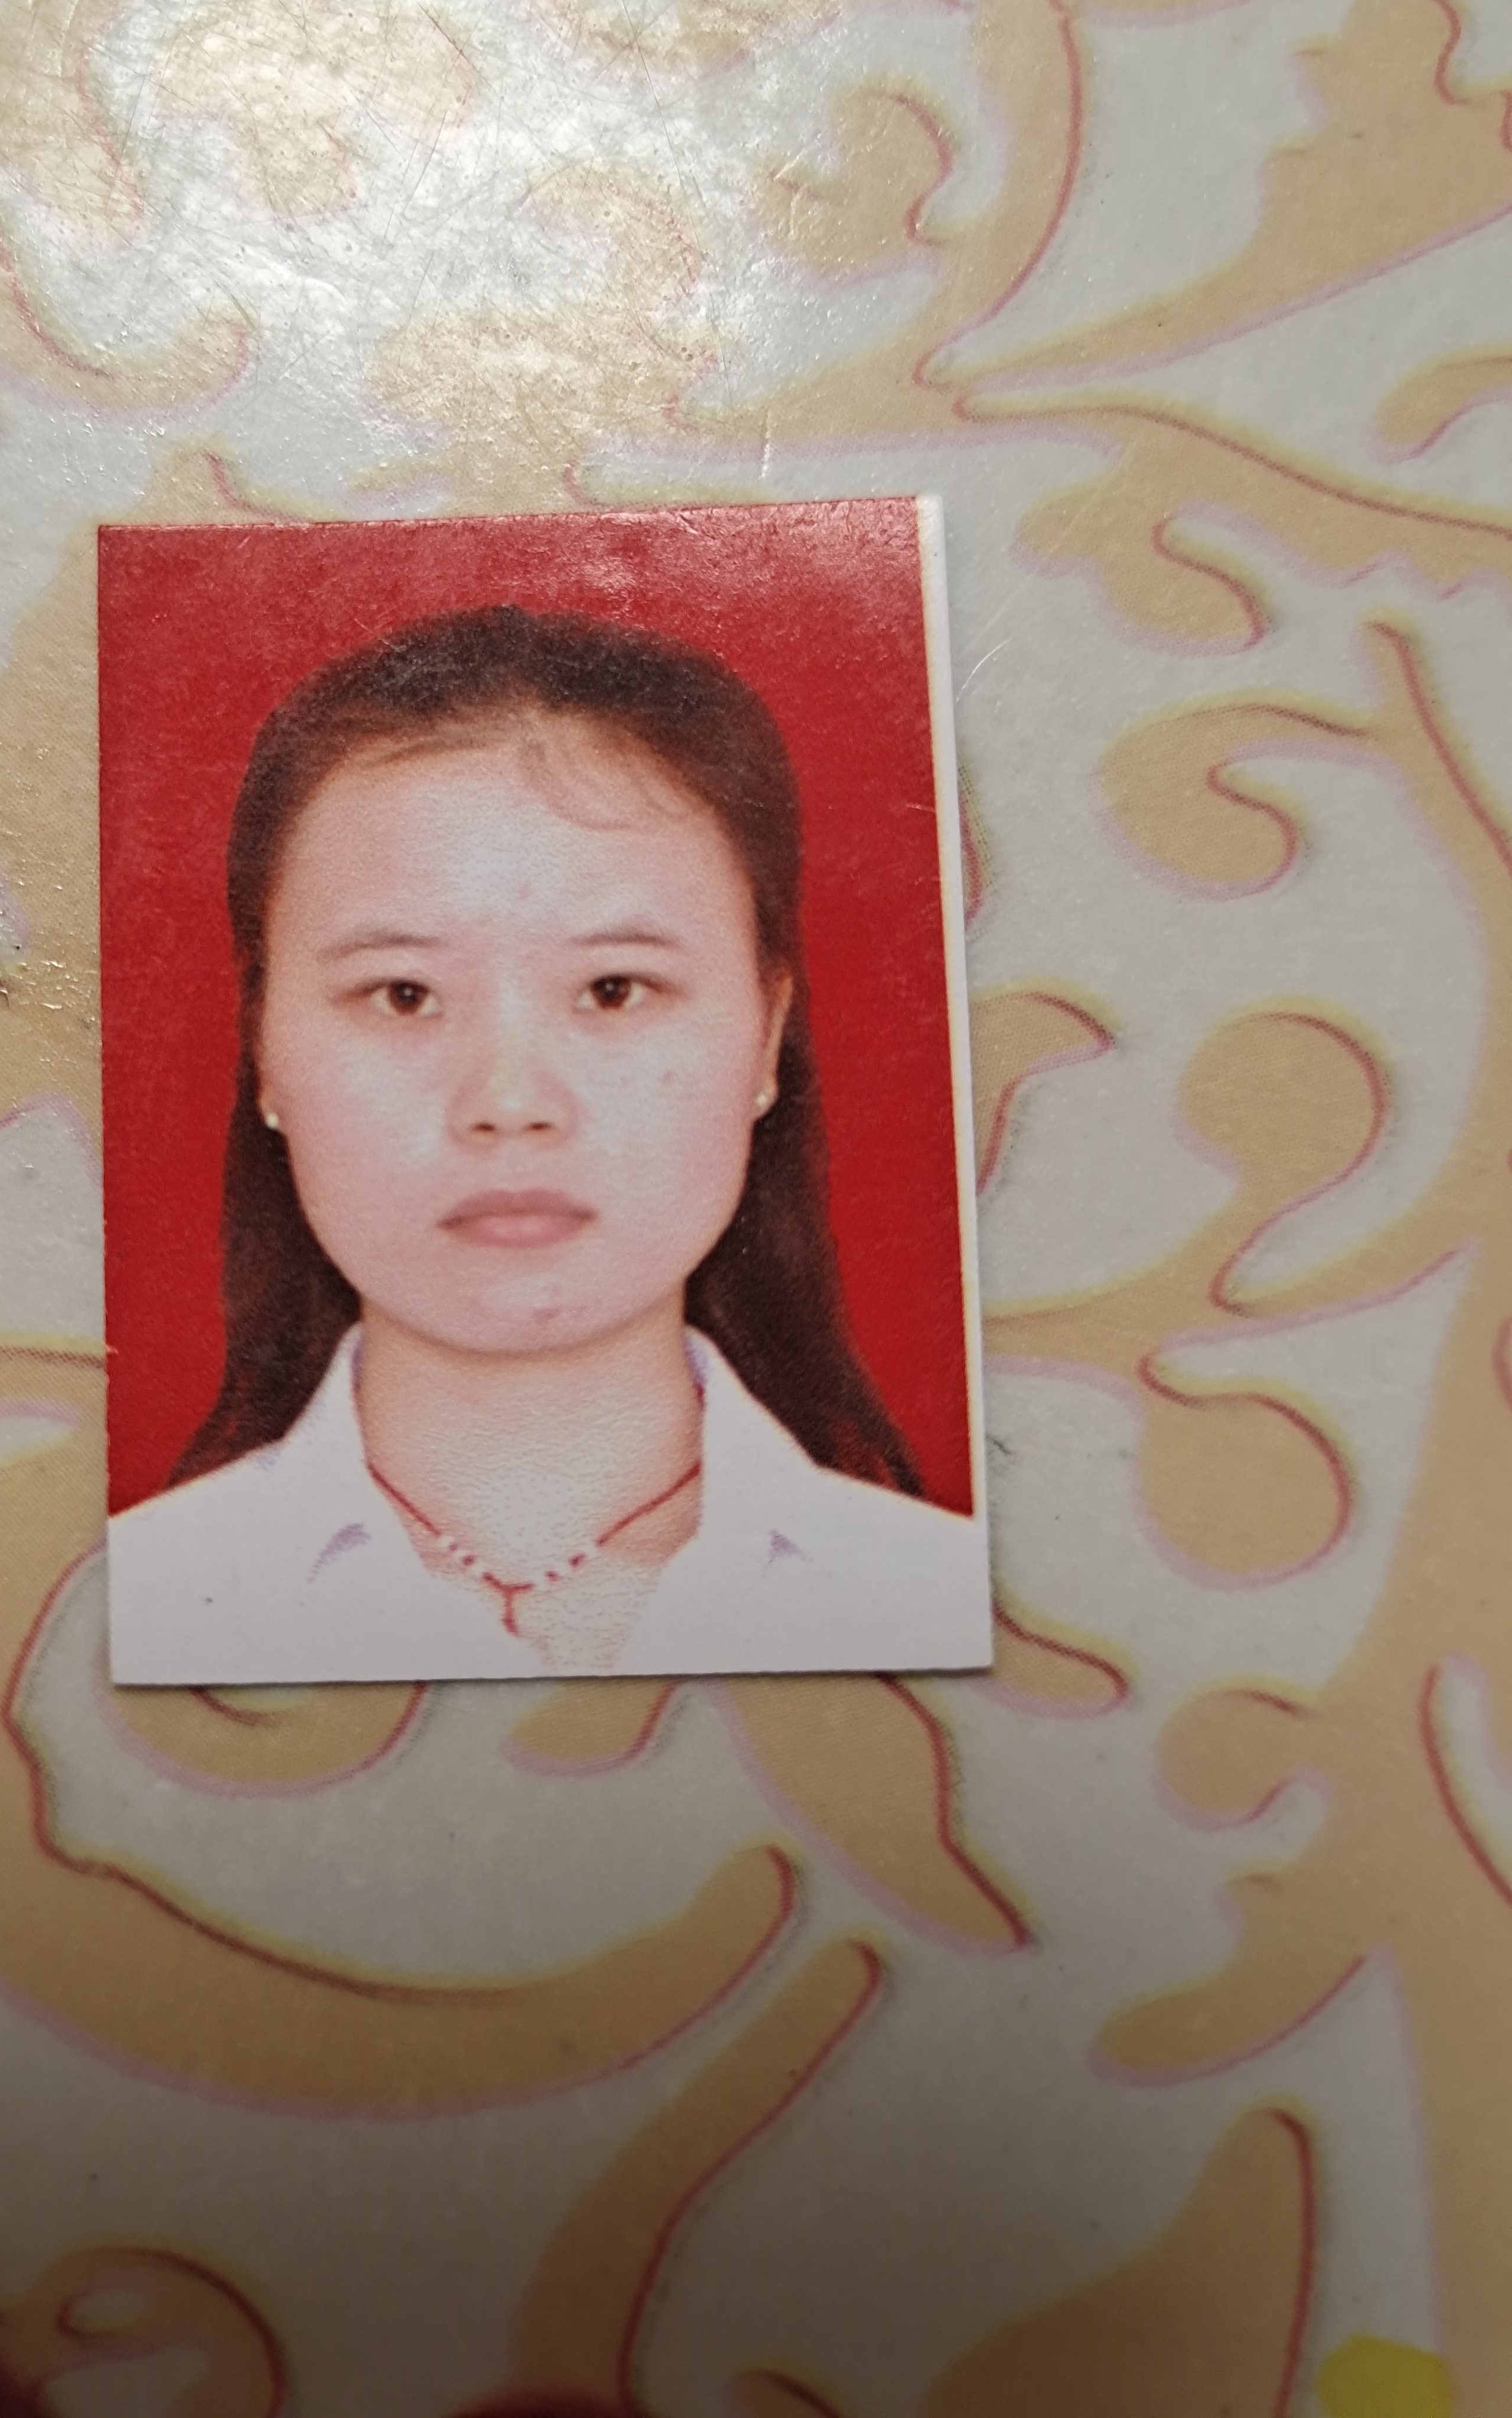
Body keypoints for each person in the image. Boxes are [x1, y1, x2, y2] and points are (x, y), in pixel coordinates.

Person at [108, 604, 989, 1684]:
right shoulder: (109, 1616)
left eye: (614, 989)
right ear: (263, 1055)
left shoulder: (951, 1607)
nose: (511, 1102)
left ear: (765, 1037)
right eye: (403, 993)